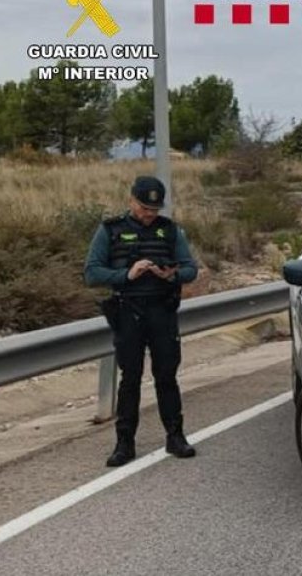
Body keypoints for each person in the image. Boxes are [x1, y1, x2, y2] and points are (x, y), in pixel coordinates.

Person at [84, 176, 200, 466]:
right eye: (145, 207)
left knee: (166, 375)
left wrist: (171, 274)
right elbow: (92, 272)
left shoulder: (169, 230)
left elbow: (190, 269)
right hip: (128, 310)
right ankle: (124, 443)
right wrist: (126, 275)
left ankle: (175, 437)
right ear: (132, 201)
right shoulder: (110, 230)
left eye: (155, 209)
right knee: (130, 379)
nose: (150, 214)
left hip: (162, 310)